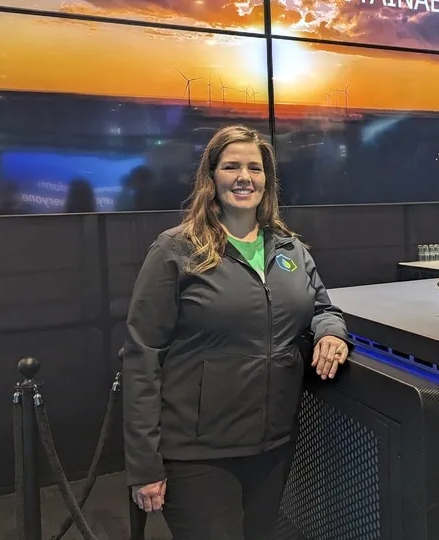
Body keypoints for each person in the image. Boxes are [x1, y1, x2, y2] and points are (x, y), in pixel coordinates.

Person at [122, 125, 352, 539]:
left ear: (267, 180)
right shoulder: (175, 250)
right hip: (199, 455)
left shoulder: (289, 248)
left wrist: (331, 333)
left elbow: (323, 306)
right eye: (231, 166)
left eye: (254, 167)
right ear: (211, 178)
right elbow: (142, 356)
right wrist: (144, 464)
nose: (244, 177)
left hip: (272, 446)